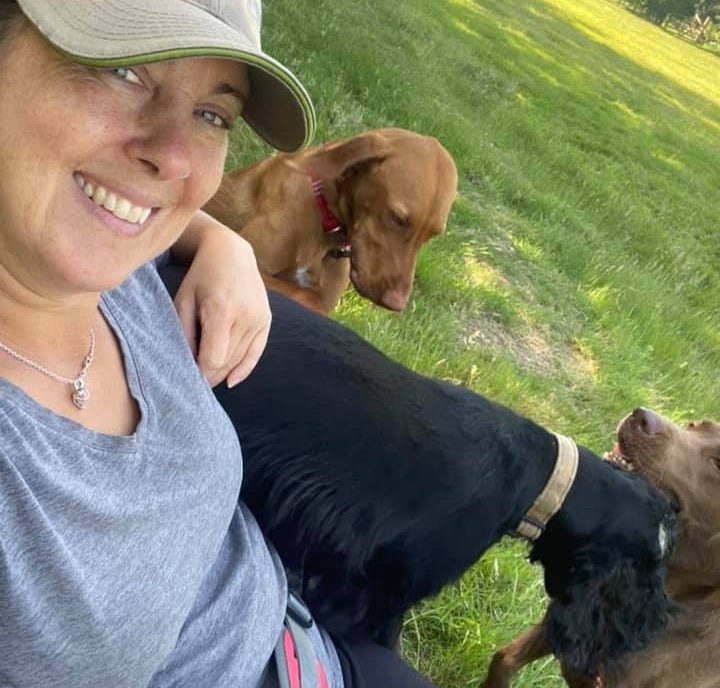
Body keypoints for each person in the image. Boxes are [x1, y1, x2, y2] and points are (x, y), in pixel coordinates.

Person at [0, 1, 440, 686]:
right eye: (121, 71)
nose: (174, 157)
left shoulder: (106, 257)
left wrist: (218, 239)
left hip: (300, 634)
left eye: (212, 114)